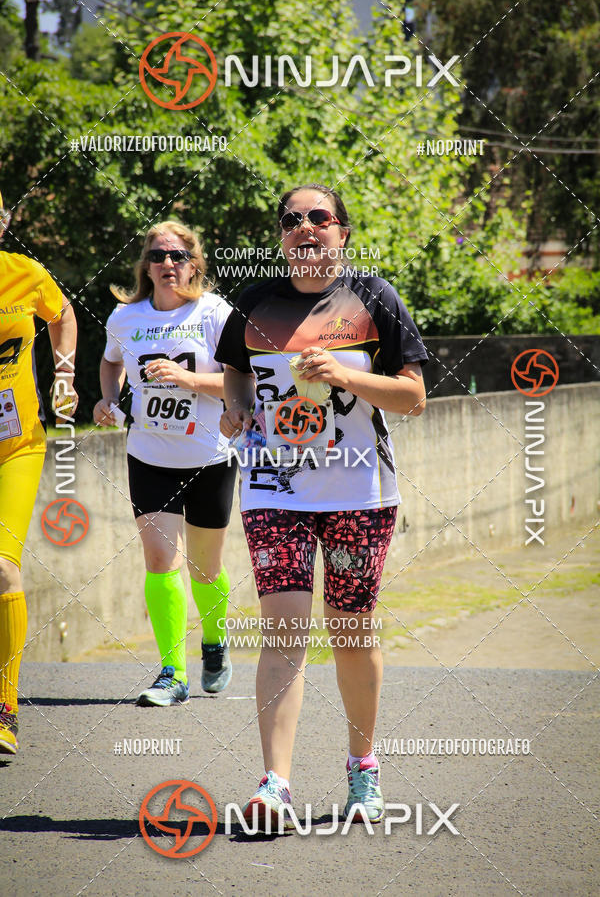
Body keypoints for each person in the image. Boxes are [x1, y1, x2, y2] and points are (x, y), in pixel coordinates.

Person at [217, 183, 428, 827]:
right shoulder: (254, 304)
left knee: (352, 630)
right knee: (283, 631)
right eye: (291, 220)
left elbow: (413, 395)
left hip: (358, 491)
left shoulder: (374, 300)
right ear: (281, 236)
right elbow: (234, 368)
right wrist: (236, 406)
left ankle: (363, 771)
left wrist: (344, 375)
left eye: (319, 218)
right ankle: (274, 784)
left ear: (342, 232)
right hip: (274, 488)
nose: (304, 227)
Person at [93, 220, 236, 706]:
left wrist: (188, 379)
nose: (168, 264)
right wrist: (108, 399)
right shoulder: (124, 317)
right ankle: (171, 673)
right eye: (158, 256)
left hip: (208, 456)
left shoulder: (215, 313)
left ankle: (215, 642)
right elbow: (111, 362)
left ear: (194, 263)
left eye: (177, 256)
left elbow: (247, 383)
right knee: (159, 560)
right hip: (149, 455)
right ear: (145, 266)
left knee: (205, 569)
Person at [0, 190, 78, 755]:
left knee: (3, 568)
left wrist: (65, 375)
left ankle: (6, 708)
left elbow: (64, 314)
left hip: (16, 447)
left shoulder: (25, 275)